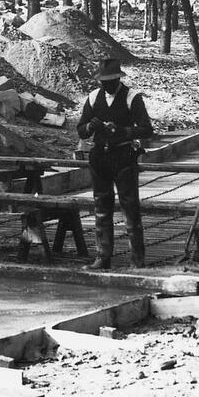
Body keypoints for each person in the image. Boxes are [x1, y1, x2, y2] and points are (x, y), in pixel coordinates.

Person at [76, 57, 154, 270]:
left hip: (123, 156)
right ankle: (103, 256)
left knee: (130, 208)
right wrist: (91, 127)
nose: (106, 85)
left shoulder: (132, 98)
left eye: (110, 81)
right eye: (103, 81)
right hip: (100, 157)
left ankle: (137, 259)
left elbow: (147, 128)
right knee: (101, 207)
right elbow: (81, 129)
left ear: (118, 79)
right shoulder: (93, 97)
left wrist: (122, 131)